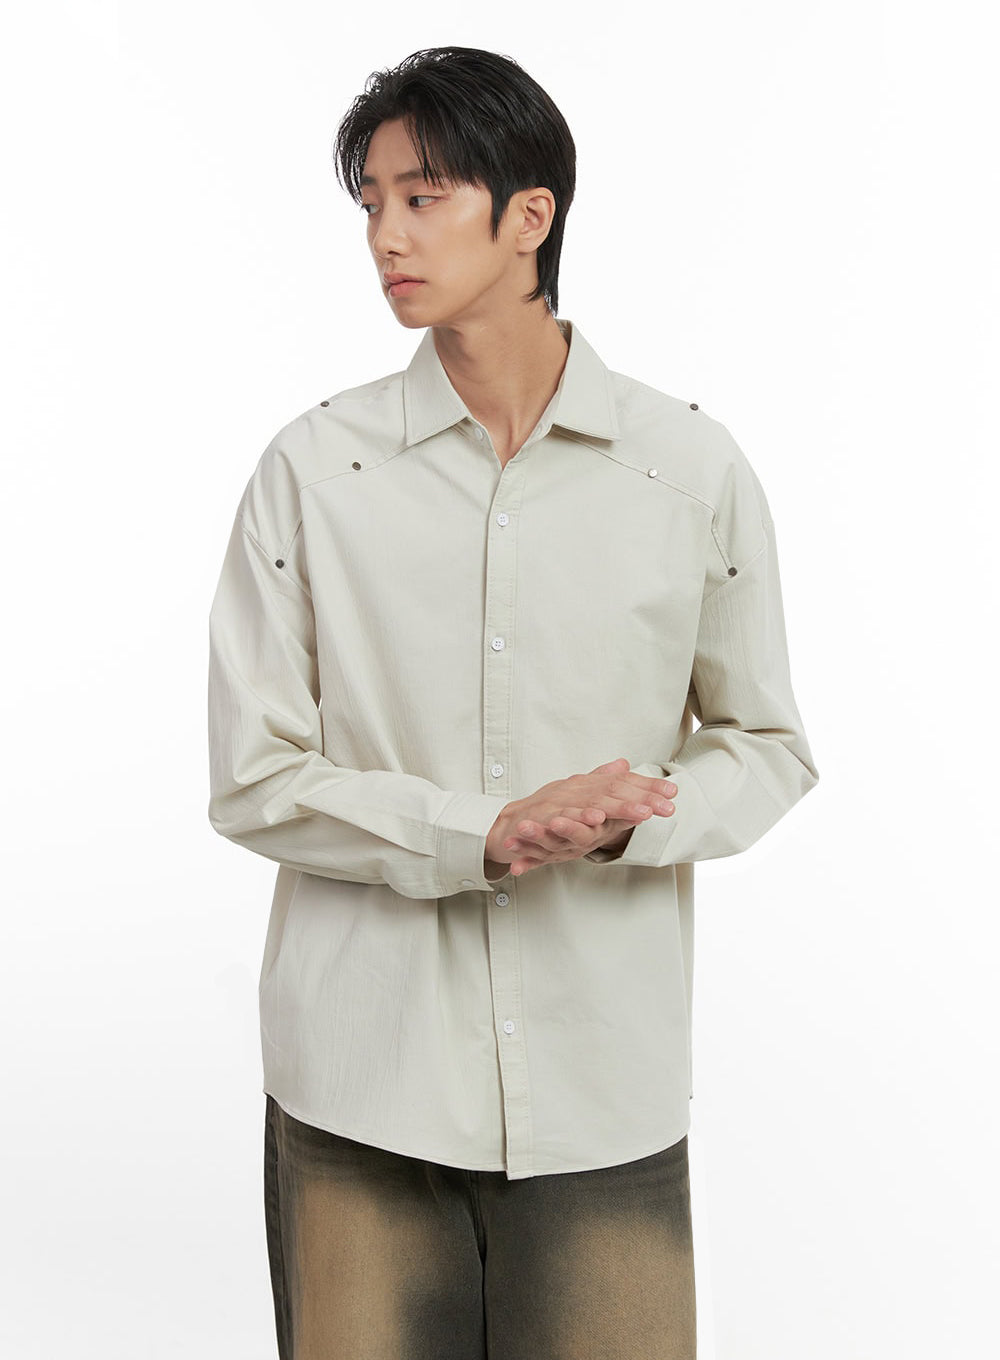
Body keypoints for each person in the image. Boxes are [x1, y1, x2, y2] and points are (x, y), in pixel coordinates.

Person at [206, 44, 819, 1360]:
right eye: (371, 203)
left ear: (530, 215)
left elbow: (767, 743)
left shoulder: (688, 469)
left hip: (604, 1091)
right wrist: (476, 831)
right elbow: (254, 776)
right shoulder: (313, 473)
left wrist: (639, 812)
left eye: (423, 197)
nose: (386, 236)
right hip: (361, 1092)